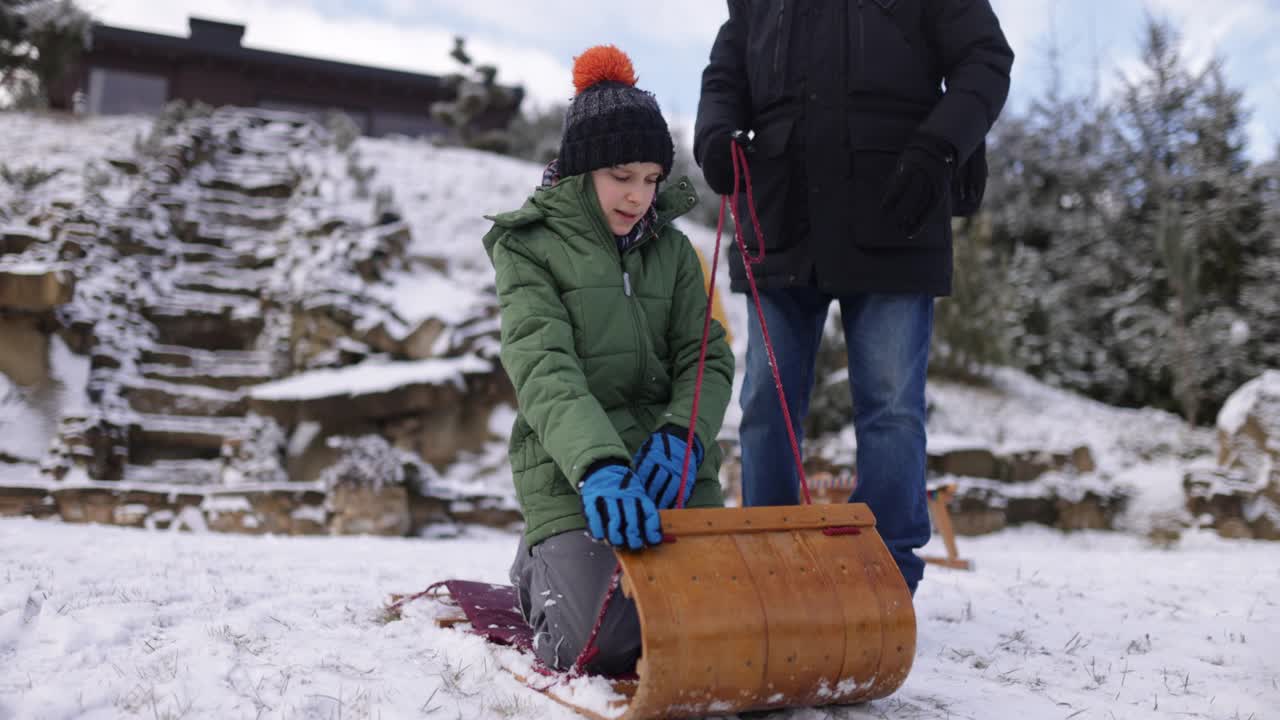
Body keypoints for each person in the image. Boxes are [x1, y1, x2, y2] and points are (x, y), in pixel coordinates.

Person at [694, 1, 1014, 596]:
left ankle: (885, 577)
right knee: (766, 401)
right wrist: (714, 130)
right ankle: (770, 571)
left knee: (891, 407)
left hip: (897, 209)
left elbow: (986, 60)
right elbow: (725, 73)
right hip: (780, 218)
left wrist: (939, 148)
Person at [482, 45, 734, 675]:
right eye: (621, 176)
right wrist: (597, 467)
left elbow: (707, 357)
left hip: (668, 476)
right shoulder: (528, 248)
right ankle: (543, 557)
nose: (638, 197)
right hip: (576, 478)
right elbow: (544, 367)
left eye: (651, 179)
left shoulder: (675, 253)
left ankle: (573, 556)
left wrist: (684, 438)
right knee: (601, 648)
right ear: (581, 170)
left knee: (718, 630)